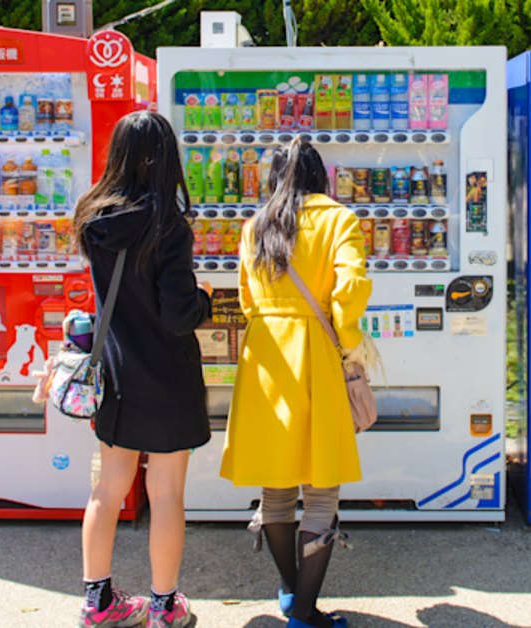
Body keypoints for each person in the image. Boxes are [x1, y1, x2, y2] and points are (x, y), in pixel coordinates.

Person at [220, 138, 373, 628]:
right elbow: (350, 289)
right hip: (315, 355)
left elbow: (247, 298)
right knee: (322, 488)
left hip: (265, 355)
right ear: (319, 175)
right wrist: (351, 343)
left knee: (277, 485)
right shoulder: (338, 219)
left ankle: (292, 594)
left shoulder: (255, 224)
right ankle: (305, 614)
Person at [73, 111, 212, 628]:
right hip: (168, 377)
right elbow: (178, 315)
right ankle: (163, 607)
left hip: (115, 377)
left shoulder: (92, 218)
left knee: (107, 490)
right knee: (167, 492)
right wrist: (203, 300)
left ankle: (97, 603)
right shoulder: (168, 225)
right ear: (166, 159)